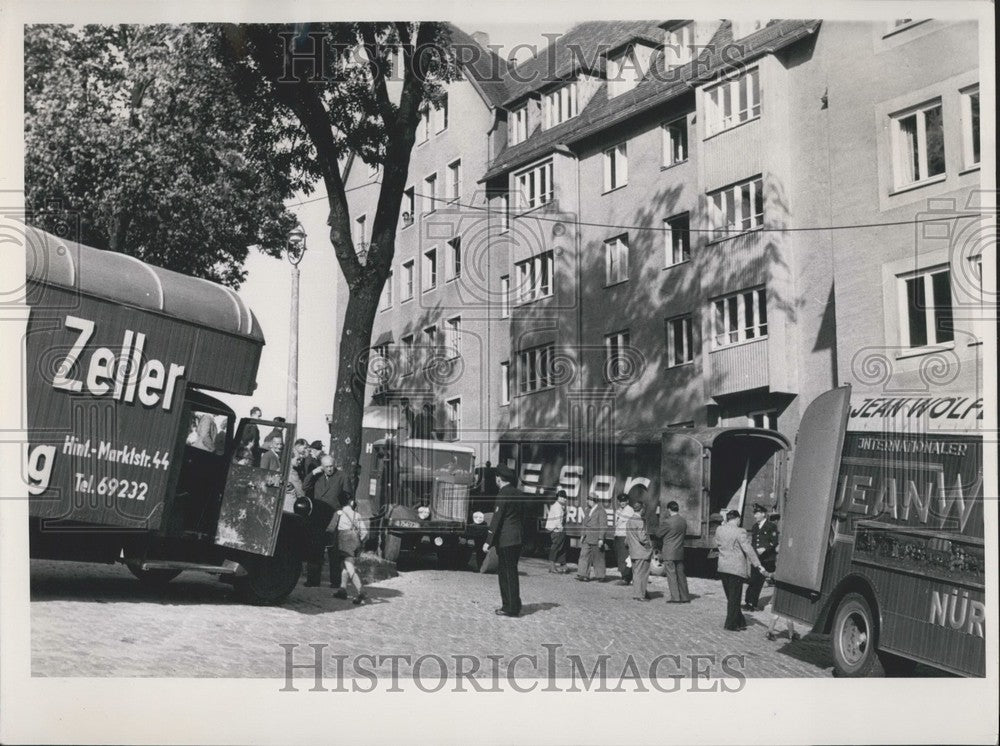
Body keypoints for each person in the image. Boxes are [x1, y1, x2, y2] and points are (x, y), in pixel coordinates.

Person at [715, 510, 771, 631]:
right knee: (734, 597)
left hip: (723, 567)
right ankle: (730, 624)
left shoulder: (719, 529)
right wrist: (758, 565)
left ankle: (740, 620)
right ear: (737, 519)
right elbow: (748, 550)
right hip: (736, 568)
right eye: (739, 519)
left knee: (731, 597)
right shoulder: (740, 531)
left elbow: (718, 543)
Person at [302, 455, 351, 588]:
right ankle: (313, 580)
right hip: (318, 515)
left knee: (333, 550)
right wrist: (313, 473)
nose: (329, 469)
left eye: (331, 466)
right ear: (322, 467)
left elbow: (348, 495)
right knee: (316, 548)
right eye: (326, 467)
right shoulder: (318, 476)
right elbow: (305, 487)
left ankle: (335, 581)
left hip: (334, 515)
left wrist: (343, 509)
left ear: (334, 465)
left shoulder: (342, 476)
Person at [483, 465, 523, 617]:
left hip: (505, 540)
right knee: (512, 572)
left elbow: (497, 519)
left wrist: (488, 541)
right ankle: (515, 603)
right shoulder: (519, 493)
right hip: (517, 539)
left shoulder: (502, 494)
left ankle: (509, 607)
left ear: (498, 478)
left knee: (505, 574)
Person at [332, 496, 369, 604]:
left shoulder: (338, 513)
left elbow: (330, 528)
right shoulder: (356, 515)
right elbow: (364, 532)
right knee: (344, 566)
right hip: (354, 541)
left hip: (343, 541)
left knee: (349, 567)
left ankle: (361, 591)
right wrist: (359, 541)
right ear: (351, 502)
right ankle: (342, 590)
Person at [744, 502, 779, 611]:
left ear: (763, 514)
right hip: (757, 559)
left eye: (757, 513)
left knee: (761, 581)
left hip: (767, 559)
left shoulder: (771, 526)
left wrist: (765, 548)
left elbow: (774, 542)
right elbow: (754, 542)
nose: (755, 516)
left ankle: (754, 604)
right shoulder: (755, 527)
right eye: (755, 513)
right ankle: (748, 602)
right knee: (753, 580)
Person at [658, 500, 691, 603]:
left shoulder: (668, 522)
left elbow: (658, 534)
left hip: (669, 552)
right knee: (681, 575)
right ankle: (685, 597)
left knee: (671, 575)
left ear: (669, 509)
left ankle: (675, 598)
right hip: (679, 551)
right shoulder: (683, 521)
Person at [576, 492, 608, 582]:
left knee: (598, 557)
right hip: (587, 537)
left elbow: (603, 526)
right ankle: (583, 574)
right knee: (584, 555)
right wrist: (582, 535)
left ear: (593, 501)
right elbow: (584, 524)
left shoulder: (601, 511)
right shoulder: (587, 510)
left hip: (596, 538)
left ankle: (601, 576)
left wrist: (601, 538)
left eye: (588, 500)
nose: (587, 501)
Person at [626, 497, 653, 601]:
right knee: (643, 574)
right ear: (642, 509)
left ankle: (637, 594)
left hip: (633, 551)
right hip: (642, 552)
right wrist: (649, 545)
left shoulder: (629, 520)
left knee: (636, 573)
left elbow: (627, 538)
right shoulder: (639, 521)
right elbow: (642, 538)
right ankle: (640, 595)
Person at [613, 493, 635, 586]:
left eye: (624, 501)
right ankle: (624, 576)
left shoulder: (630, 510)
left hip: (625, 536)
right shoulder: (618, 511)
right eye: (620, 501)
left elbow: (631, 525)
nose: (622, 503)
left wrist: (628, 537)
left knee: (625, 558)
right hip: (618, 535)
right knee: (620, 557)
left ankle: (626, 578)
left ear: (627, 501)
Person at [545, 490, 569, 573]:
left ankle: (563, 565)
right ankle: (552, 566)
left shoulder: (558, 506)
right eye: (562, 497)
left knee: (560, 547)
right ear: (558, 498)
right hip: (557, 530)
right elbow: (557, 520)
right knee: (556, 547)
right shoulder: (558, 507)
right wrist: (560, 528)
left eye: (565, 497)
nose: (564, 499)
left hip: (555, 529)